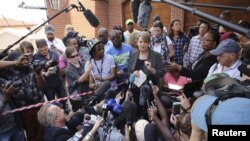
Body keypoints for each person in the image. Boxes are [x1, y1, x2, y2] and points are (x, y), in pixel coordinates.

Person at [128, 31, 164, 118]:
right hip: (135, 89)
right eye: (140, 42)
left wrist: (151, 69)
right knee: (136, 113)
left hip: (150, 91)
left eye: (145, 42)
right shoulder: (133, 54)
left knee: (148, 114)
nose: (142, 44)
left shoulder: (156, 56)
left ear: (149, 43)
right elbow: (129, 71)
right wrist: (133, 73)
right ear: (137, 43)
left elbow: (161, 73)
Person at [37, 102, 104, 141]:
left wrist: (84, 129)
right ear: (56, 119)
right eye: (59, 110)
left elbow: (73, 137)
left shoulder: (56, 128)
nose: (63, 110)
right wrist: (94, 127)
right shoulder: (59, 137)